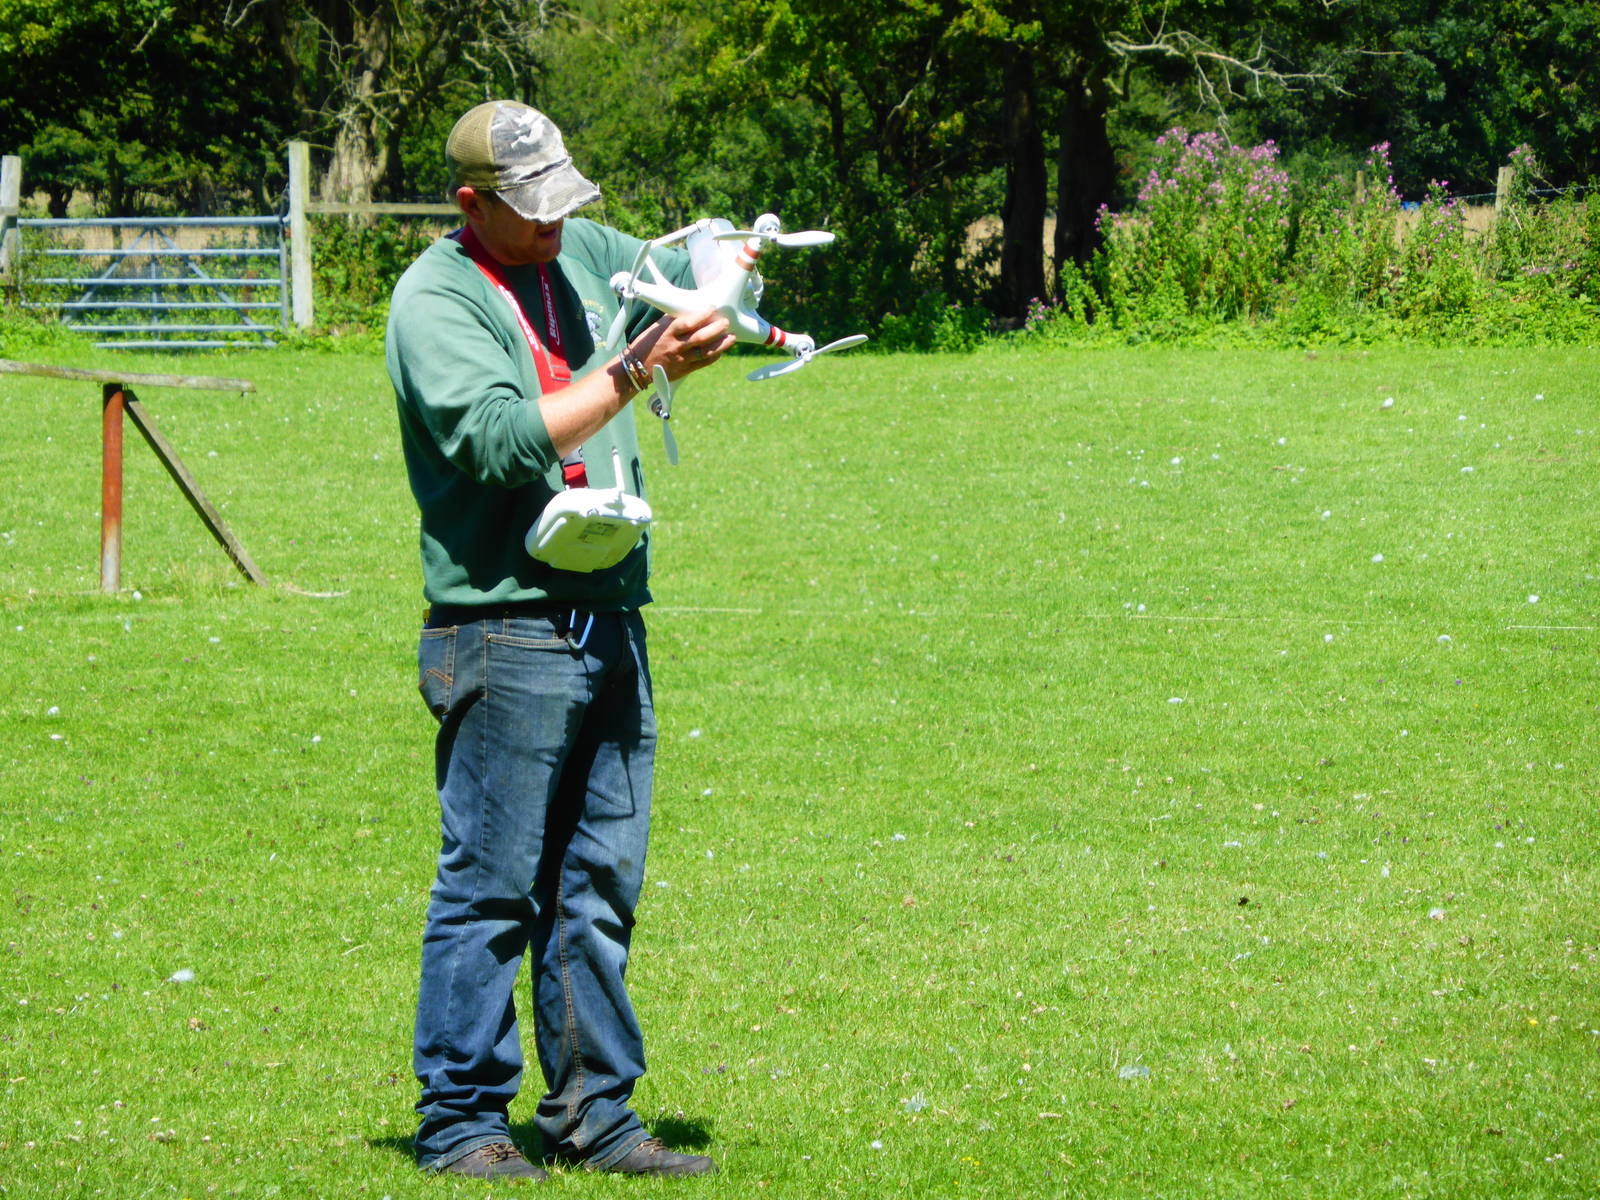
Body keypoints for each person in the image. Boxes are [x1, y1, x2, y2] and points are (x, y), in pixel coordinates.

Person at [385, 99, 734, 1182]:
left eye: (560, 203)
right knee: (493, 886)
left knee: (596, 883)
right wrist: (637, 371)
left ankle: (597, 1116)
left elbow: (692, 270)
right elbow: (495, 441)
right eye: (527, 211)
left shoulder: (580, 249)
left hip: (607, 614)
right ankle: (460, 1123)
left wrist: (727, 288)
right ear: (469, 203)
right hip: (500, 622)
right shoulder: (432, 297)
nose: (554, 228)